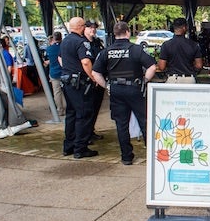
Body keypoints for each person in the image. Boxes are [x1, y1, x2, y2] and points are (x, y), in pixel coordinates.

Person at [93, 21, 157, 165]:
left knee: (121, 124)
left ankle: (126, 156)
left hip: (116, 90)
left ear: (115, 34)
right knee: (144, 121)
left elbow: (95, 72)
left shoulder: (107, 51)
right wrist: (145, 80)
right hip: (135, 88)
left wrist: (107, 86)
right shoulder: (136, 49)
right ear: (128, 32)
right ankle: (152, 154)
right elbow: (152, 66)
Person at [60, 17, 98, 159]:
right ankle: (80, 148)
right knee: (84, 114)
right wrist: (93, 77)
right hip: (80, 83)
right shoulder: (81, 42)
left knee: (71, 114)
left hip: (67, 82)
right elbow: (86, 62)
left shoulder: (65, 41)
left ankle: (68, 146)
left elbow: (61, 59)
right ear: (81, 27)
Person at [158, 18, 203, 83]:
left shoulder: (166, 45)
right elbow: (199, 65)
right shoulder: (193, 45)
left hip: (172, 78)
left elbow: (161, 66)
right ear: (184, 28)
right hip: (189, 79)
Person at [84, 20, 106, 140]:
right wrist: (93, 78)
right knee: (87, 109)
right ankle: (85, 135)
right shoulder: (81, 42)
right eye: (90, 27)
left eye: (94, 28)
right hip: (88, 81)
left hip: (99, 79)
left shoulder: (97, 42)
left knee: (95, 107)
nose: (93, 30)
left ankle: (90, 131)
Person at [45, 31, 65, 116]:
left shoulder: (49, 49)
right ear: (61, 38)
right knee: (67, 91)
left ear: (53, 38)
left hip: (54, 73)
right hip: (65, 72)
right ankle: (70, 107)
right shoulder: (64, 47)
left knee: (57, 92)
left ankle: (60, 110)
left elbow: (46, 60)